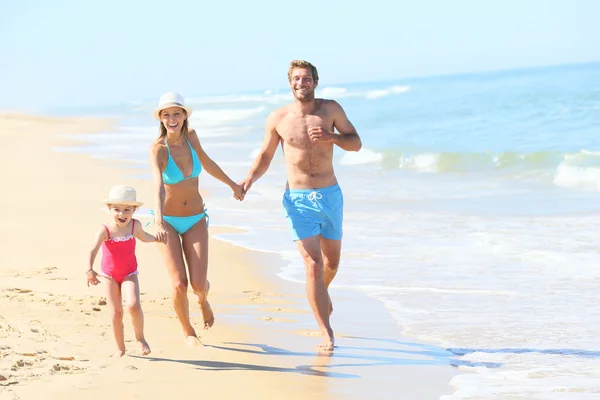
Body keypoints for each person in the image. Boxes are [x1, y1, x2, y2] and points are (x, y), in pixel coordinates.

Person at [240, 60, 362, 352]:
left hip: (330, 195)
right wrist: (248, 181)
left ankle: (322, 292)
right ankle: (326, 332)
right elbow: (266, 156)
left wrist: (333, 137)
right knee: (312, 265)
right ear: (290, 83)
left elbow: (356, 143)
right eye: (296, 79)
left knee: (331, 264)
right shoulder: (278, 118)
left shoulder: (331, 109)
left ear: (315, 82)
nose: (301, 83)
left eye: (306, 79)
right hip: (298, 199)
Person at [149, 92, 244, 346]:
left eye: (176, 113)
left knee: (198, 284)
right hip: (167, 220)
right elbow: (158, 186)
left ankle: (203, 301)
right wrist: (158, 220)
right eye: (166, 114)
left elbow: (208, 163)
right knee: (179, 283)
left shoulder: (191, 137)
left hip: (195, 218)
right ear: (160, 118)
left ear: (184, 116)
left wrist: (232, 185)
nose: (172, 119)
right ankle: (188, 332)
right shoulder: (158, 149)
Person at [87, 185, 161, 358]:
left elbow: (145, 237)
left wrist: (157, 238)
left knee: (133, 305)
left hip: (129, 274)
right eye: (117, 210)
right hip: (109, 276)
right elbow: (92, 249)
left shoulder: (135, 226)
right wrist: (89, 269)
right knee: (116, 313)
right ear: (109, 209)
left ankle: (140, 338)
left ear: (134, 210)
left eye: (127, 210)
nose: (122, 214)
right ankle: (120, 348)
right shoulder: (105, 230)